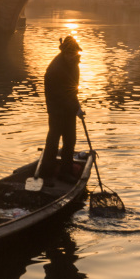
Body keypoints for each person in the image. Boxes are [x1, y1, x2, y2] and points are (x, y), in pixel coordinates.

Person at [38, 35, 85, 186]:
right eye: (69, 54)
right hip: (56, 109)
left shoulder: (74, 65)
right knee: (53, 141)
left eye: (74, 53)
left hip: (69, 109)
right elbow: (60, 94)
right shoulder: (55, 70)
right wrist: (75, 108)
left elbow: (72, 90)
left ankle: (65, 172)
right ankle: (46, 173)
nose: (72, 56)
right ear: (64, 53)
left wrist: (77, 107)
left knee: (70, 140)